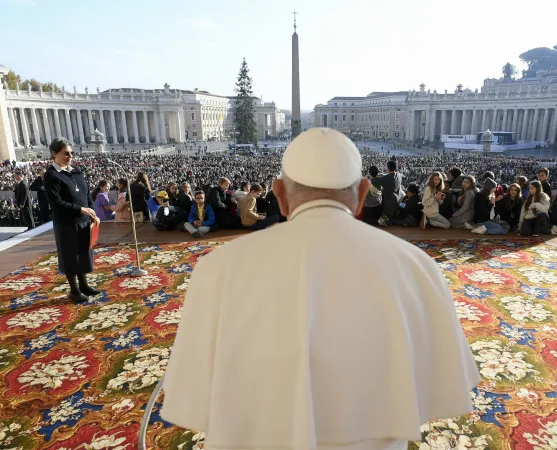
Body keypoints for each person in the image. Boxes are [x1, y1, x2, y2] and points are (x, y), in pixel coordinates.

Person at [161, 128, 480, 450]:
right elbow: (441, 383)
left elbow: (192, 398)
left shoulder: (218, 267)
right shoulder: (415, 264)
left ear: (280, 194)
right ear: (362, 193)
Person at [43, 137, 100, 303]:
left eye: (71, 153)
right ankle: (74, 290)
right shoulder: (51, 175)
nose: (70, 157)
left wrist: (92, 212)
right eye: (65, 153)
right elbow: (56, 202)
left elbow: (86, 194)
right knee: (70, 256)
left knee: (82, 253)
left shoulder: (76, 172)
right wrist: (80, 209)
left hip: (83, 221)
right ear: (54, 154)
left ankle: (84, 285)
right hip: (66, 222)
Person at [371, 160, 403, 226]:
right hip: (398, 202)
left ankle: (389, 221)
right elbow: (392, 177)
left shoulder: (386, 178)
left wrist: (375, 175)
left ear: (388, 168)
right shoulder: (399, 175)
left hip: (389, 205)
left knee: (380, 221)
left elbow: (374, 181)